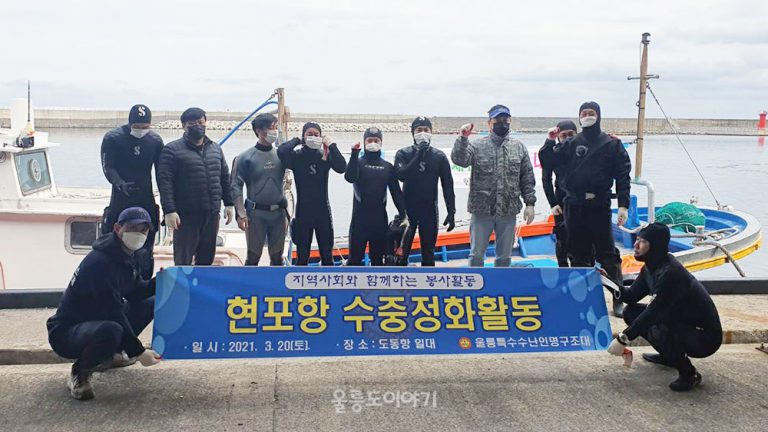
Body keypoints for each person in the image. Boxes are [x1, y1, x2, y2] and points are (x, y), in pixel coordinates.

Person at [47, 207, 162, 401]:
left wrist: (159, 282)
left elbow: (135, 293)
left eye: (144, 230)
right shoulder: (100, 262)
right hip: (67, 332)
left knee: (148, 303)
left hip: (98, 321)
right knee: (112, 329)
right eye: (134, 228)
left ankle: (112, 354)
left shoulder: (127, 255)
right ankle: (79, 373)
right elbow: (113, 311)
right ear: (118, 228)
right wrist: (139, 352)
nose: (139, 234)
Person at [539, 101, 631, 317]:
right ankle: (582, 298)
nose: (588, 116)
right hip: (573, 206)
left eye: (591, 113)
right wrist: (549, 140)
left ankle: (618, 298)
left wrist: (623, 205)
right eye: (584, 113)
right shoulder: (571, 143)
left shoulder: (611, 144)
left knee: (608, 254)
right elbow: (548, 161)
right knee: (578, 254)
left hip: (600, 205)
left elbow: (623, 175)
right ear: (579, 117)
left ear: (598, 116)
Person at [606, 223, 722, 391]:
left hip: (704, 337)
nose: (635, 245)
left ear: (656, 246)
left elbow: (653, 312)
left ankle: (689, 373)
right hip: (680, 322)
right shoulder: (650, 268)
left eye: (642, 241)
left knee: (659, 324)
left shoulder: (671, 273)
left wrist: (623, 339)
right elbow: (631, 296)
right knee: (631, 312)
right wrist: (607, 281)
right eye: (636, 240)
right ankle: (669, 356)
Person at [451, 104, 536, 267]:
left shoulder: (519, 148)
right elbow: (459, 160)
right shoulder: (476, 146)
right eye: (498, 120)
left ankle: (501, 289)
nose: (502, 123)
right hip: (482, 210)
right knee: (476, 256)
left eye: (506, 120)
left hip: (508, 210)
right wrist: (462, 138)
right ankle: (475, 289)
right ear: (490, 123)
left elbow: (527, 178)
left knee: (504, 258)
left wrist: (530, 203)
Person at [156, 107, 235, 265]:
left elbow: (224, 177)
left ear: (206, 122)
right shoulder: (171, 150)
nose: (197, 126)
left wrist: (229, 203)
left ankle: (201, 288)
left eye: (200, 122)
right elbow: (165, 182)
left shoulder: (215, 148)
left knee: (206, 259)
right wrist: (169, 210)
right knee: (183, 260)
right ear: (183, 126)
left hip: (211, 214)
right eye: (192, 123)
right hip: (185, 216)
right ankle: (183, 288)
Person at [100, 104, 164, 279]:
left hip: (145, 196)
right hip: (121, 196)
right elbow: (108, 167)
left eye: (145, 127)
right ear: (129, 123)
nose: (141, 130)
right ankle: (113, 280)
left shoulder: (155, 141)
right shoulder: (113, 138)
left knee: (144, 249)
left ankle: (142, 282)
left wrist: (168, 206)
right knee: (115, 243)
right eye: (137, 127)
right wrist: (120, 183)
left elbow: (161, 174)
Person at [277, 122, 346, 265]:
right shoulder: (296, 156)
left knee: (327, 256)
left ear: (321, 138)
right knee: (302, 256)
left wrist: (332, 145)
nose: (313, 137)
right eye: (309, 134)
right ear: (304, 136)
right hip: (303, 213)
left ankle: (328, 285)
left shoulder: (325, 156)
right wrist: (297, 140)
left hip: (323, 212)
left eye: (316, 135)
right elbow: (281, 151)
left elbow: (342, 167)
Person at [394, 116, 456, 266]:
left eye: (426, 130)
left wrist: (451, 211)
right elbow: (401, 176)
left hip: (429, 210)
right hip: (408, 211)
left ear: (431, 132)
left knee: (428, 254)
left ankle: (428, 287)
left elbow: (447, 185)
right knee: (402, 254)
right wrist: (418, 155)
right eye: (419, 130)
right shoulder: (403, 153)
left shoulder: (439, 156)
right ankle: (401, 286)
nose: (423, 133)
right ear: (413, 133)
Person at [231, 113, 289, 266]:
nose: (274, 132)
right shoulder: (245, 157)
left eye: (275, 128)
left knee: (277, 258)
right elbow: (235, 185)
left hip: (278, 213)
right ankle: (248, 288)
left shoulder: (281, 155)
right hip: (255, 215)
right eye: (270, 128)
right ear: (258, 131)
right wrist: (241, 213)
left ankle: (276, 289)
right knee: (253, 258)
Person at [344, 127, 406, 266]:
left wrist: (404, 214)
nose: (373, 143)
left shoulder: (388, 167)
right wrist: (354, 154)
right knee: (354, 260)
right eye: (369, 140)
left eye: (376, 140)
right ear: (364, 142)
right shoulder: (358, 163)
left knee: (377, 260)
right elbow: (349, 177)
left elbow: (396, 193)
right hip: (359, 222)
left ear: (381, 143)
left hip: (379, 222)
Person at [539, 120, 577, 267]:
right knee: (562, 238)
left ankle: (580, 266)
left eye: (570, 135)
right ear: (558, 137)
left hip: (581, 201)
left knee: (582, 238)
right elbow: (546, 178)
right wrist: (552, 203)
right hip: (561, 201)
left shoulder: (584, 149)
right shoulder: (554, 152)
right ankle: (563, 267)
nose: (567, 138)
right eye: (563, 135)